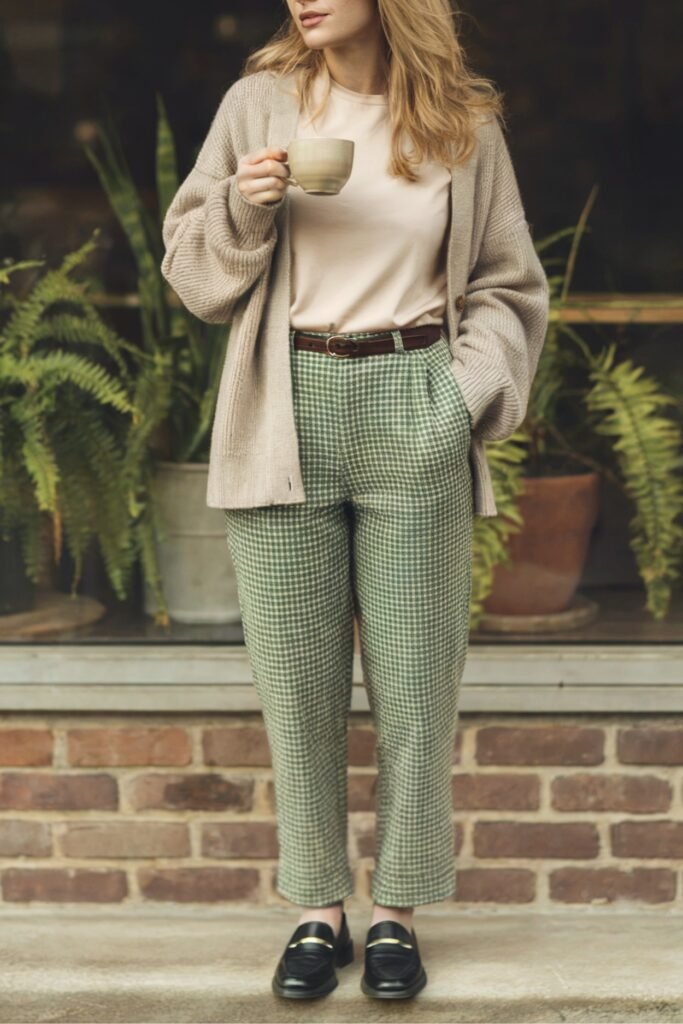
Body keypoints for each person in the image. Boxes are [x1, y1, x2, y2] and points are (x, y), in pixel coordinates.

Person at [160, 0, 550, 1002]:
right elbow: (193, 277)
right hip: (284, 404)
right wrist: (244, 206)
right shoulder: (257, 105)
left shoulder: (463, 122)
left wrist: (455, 399)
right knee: (298, 688)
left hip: (415, 397)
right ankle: (316, 910)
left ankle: (397, 913)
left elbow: (508, 283)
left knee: (415, 685)